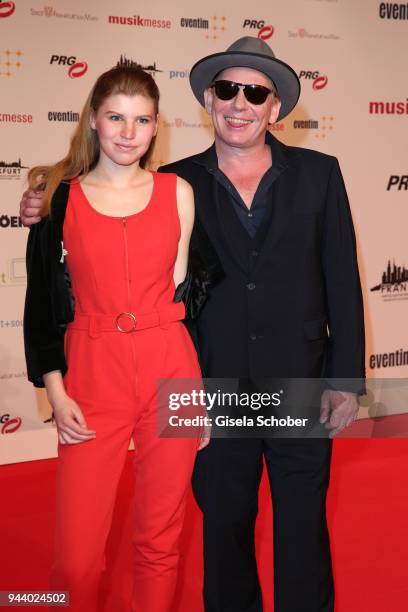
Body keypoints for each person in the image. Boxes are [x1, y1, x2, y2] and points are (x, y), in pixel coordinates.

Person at [21, 38, 365, 612]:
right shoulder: (175, 184)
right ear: (209, 98)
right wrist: (42, 204)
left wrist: (345, 379)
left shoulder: (319, 174)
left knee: (303, 524)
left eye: (256, 92)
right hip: (209, 382)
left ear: (275, 107)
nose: (240, 103)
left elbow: (342, 279)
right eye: (227, 89)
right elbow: (99, 210)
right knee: (223, 526)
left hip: (300, 379)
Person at [23, 64, 208, 612]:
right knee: (77, 559)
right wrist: (55, 392)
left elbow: (188, 297)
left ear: (156, 129)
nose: (129, 132)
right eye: (116, 118)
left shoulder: (179, 193)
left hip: (172, 372)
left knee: (159, 541)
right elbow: (42, 306)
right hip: (91, 374)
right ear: (94, 122)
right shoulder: (57, 197)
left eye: (141, 120)